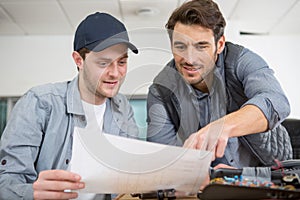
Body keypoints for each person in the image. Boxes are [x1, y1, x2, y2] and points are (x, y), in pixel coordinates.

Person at [0, 12, 139, 200]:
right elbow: (6, 181)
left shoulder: (124, 109)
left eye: (122, 62)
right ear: (78, 60)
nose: (115, 73)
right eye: (103, 63)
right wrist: (31, 193)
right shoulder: (39, 103)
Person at [146, 0, 292, 169]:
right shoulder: (161, 90)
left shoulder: (241, 61)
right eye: (180, 46)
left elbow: (276, 101)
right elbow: (164, 158)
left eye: (201, 46)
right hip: (205, 180)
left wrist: (222, 127)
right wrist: (211, 176)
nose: (190, 59)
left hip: (268, 168)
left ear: (220, 44)